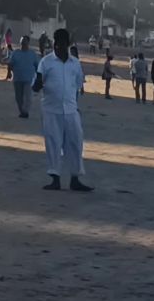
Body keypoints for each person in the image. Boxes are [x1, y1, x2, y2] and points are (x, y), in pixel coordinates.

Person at [33, 28, 91, 192]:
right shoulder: (46, 62)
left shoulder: (75, 64)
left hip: (71, 110)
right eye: (57, 45)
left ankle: (75, 179)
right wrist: (38, 84)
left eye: (63, 45)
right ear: (54, 43)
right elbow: (36, 84)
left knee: (75, 143)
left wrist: (76, 107)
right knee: (53, 143)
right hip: (51, 110)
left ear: (68, 45)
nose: (59, 48)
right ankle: (55, 178)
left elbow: (78, 86)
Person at [6, 37, 40, 118]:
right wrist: (8, 73)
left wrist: (39, 77)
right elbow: (10, 64)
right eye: (22, 43)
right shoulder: (15, 53)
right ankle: (22, 111)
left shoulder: (32, 54)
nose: (23, 45)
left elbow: (37, 66)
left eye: (24, 43)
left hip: (28, 78)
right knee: (19, 97)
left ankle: (25, 111)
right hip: (17, 78)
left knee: (28, 96)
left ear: (28, 43)